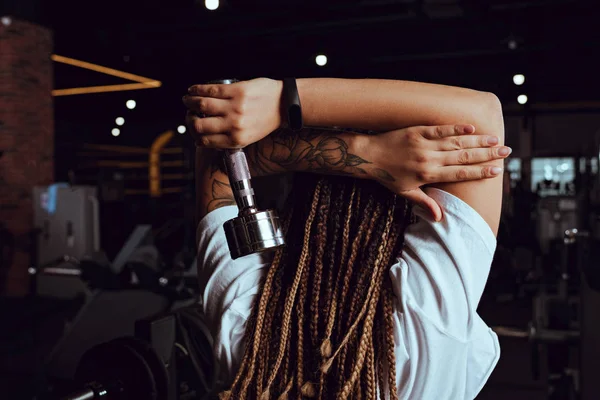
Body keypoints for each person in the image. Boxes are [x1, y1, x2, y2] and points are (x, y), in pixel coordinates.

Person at [183, 78, 508, 399]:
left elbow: (219, 165)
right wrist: (283, 104)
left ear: (296, 200)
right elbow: (482, 113)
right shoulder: (423, 325)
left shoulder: (245, 324)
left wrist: (370, 157)